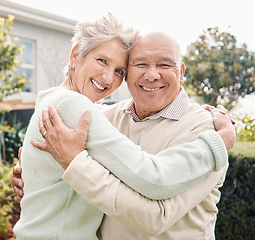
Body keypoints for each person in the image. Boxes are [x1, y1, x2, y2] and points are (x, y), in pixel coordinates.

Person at [12, 14, 234, 240]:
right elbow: (152, 177)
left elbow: (155, 216)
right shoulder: (91, 112)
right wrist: (34, 172)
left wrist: (69, 164)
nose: (108, 77)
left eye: (118, 70)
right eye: (140, 64)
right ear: (75, 54)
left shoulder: (205, 128)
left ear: (182, 72)